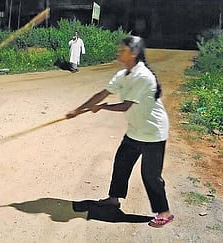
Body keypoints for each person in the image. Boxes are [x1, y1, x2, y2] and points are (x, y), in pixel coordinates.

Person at [66, 36, 174, 228]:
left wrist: (102, 107)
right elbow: (101, 94)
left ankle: (164, 212)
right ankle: (114, 199)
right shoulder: (123, 75)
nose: (118, 51)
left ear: (134, 53)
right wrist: (77, 110)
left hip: (152, 133)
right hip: (135, 131)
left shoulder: (143, 76)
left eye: (122, 49)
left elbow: (125, 106)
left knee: (150, 175)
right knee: (121, 164)